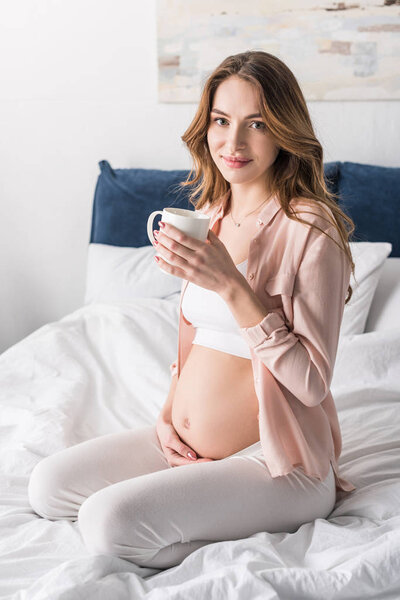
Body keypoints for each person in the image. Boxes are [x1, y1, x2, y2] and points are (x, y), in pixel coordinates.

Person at [27, 50, 357, 571]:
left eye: (258, 124)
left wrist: (233, 286)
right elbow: (195, 346)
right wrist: (166, 419)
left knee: (106, 524)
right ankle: (195, 501)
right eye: (222, 121)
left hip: (278, 460)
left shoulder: (311, 230)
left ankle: (244, 526)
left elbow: (313, 383)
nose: (234, 142)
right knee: (48, 487)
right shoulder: (209, 214)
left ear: (284, 132)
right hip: (186, 444)